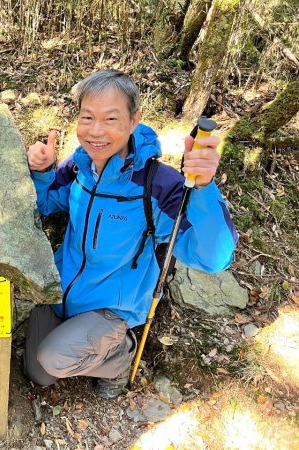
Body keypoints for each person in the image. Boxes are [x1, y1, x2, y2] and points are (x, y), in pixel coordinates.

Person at [23, 69, 237, 399]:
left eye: (110, 118)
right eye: (87, 117)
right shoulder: (81, 165)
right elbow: (48, 202)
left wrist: (205, 188)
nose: (96, 131)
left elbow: (213, 258)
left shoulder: (158, 185)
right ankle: (77, 344)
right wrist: (43, 171)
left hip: (111, 309)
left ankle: (119, 359)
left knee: (52, 358)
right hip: (63, 292)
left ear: (135, 119)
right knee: (38, 372)